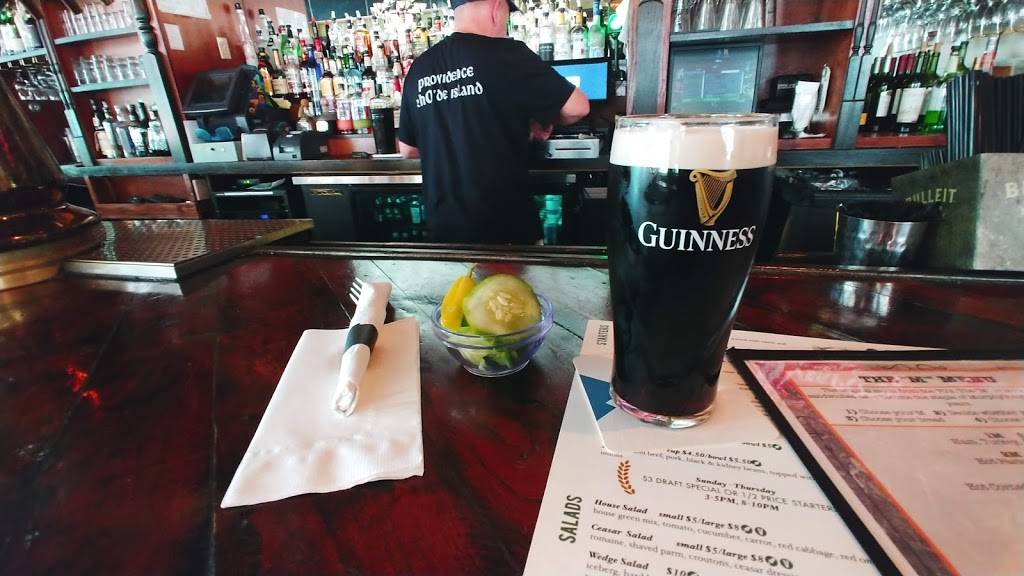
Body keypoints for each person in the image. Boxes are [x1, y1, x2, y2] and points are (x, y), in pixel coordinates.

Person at [398, 0, 590, 244]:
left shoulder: (419, 68)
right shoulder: (507, 54)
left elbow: (408, 149)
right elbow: (578, 107)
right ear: (496, 7)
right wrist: (541, 119)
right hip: (506, 232)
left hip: (445, 233)